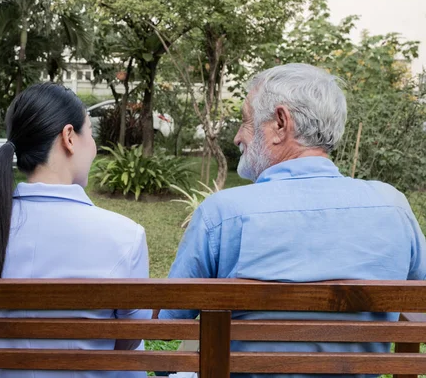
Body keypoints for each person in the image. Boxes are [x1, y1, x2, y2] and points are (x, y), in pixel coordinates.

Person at [158, 63, 426, 378]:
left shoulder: (222, 214)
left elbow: (168, 323)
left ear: (281, 123)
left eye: (246, 121)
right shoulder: (393, 207)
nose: (237, 137)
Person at [0, 83, 151, 378]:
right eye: (91, 132)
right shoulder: (125, 236)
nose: (95, 146)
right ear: (69, 137)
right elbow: (129, 340)